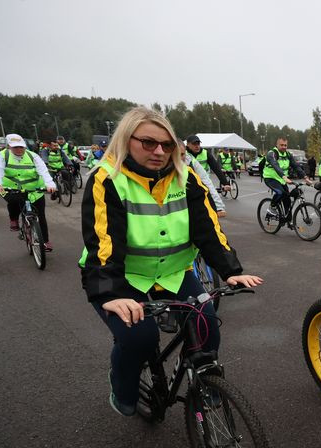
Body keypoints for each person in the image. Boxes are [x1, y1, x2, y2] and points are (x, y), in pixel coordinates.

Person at [79, 107, 262, 417]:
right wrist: (110, 293)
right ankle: (122, 386)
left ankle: (202, 381)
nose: (159, 152)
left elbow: (208, 230)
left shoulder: (186, 177)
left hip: (173, 272)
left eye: (166, 144)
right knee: (140, 337)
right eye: (148, 143)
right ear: (126, 140)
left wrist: (231, 270)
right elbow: (103, 242)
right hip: (123, 276)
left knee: (206, 325)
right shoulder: (107, 178)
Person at [0, 134, 58, 250]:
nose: (19, 149)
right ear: (9, 146)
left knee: (41, 215)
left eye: (21, 147)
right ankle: (14, 219)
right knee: (14, 200)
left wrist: (50, 185)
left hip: (34, 189)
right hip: (10, 188)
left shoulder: (33, 156)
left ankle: (45, 241)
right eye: (15, 147)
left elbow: (43, 171)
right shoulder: (2, 155)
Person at [262, 137, 310, 214]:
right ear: (277, 145)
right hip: (271, 178)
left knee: (287, 201)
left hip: (281, 180)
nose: (284, 147)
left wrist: (305, 177)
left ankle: (287, 219)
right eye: (282, 145)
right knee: (280, 192)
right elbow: (275, 165)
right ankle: (272, 207)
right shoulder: (272, 154)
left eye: (285, 145)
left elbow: (296, 166)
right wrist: (284, 177)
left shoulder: (288, 154)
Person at [180, 142, 226, 217]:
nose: (197, 146)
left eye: (182, 154)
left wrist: (219, 207)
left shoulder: (192, 159)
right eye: (194, 144)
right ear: (188, 145)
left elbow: (216, 169)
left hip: (201, 182)